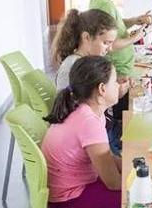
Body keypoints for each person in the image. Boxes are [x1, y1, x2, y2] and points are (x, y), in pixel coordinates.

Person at [88, 0, 152, 154]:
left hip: (122, 68)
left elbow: (116, 25)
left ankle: (123, 152)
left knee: (124, 114)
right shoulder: (103, 4)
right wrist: (138, 36)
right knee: (122, 118)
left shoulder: (102, 1)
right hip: (118, 69)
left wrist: (135, 20)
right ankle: (123, 157)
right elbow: (112, 43)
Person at [42, 56, 122, 208]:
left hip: (70, 190)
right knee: (140, 197)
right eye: (115, 81)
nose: (118, 86)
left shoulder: (85, 110)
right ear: (102, 89)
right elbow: (114, 183)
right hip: (69, 199)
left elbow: (107, 158)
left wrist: (132, 165)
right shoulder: (88, 122)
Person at [51, 9, 118, 90]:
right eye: (106, 43)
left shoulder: (87, 62)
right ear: (86, 37)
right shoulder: (74, 67)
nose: (110, 49)